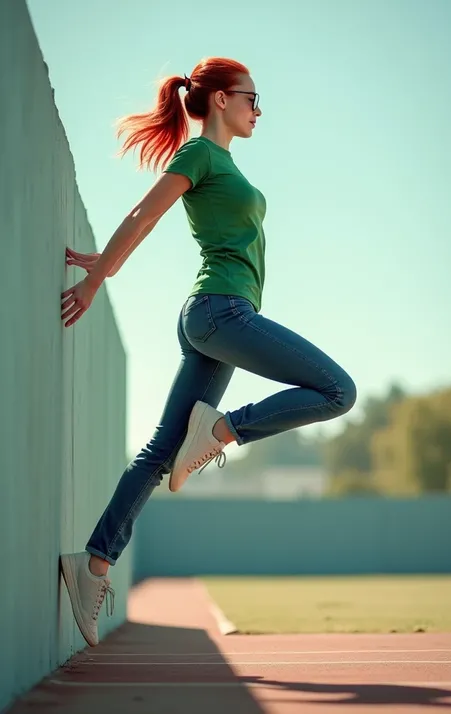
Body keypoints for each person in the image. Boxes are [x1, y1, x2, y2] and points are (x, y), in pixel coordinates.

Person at [59, 57, 357, 647]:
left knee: (161, 451)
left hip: (215, 316)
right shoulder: (200, 156)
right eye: (251, 97)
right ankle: (222, 431)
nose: (258, 109)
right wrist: (100, 276)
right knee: (337, 391)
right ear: (220, 100)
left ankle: (91, 567)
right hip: (221, 311)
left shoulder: (226, 164)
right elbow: (145, 213)